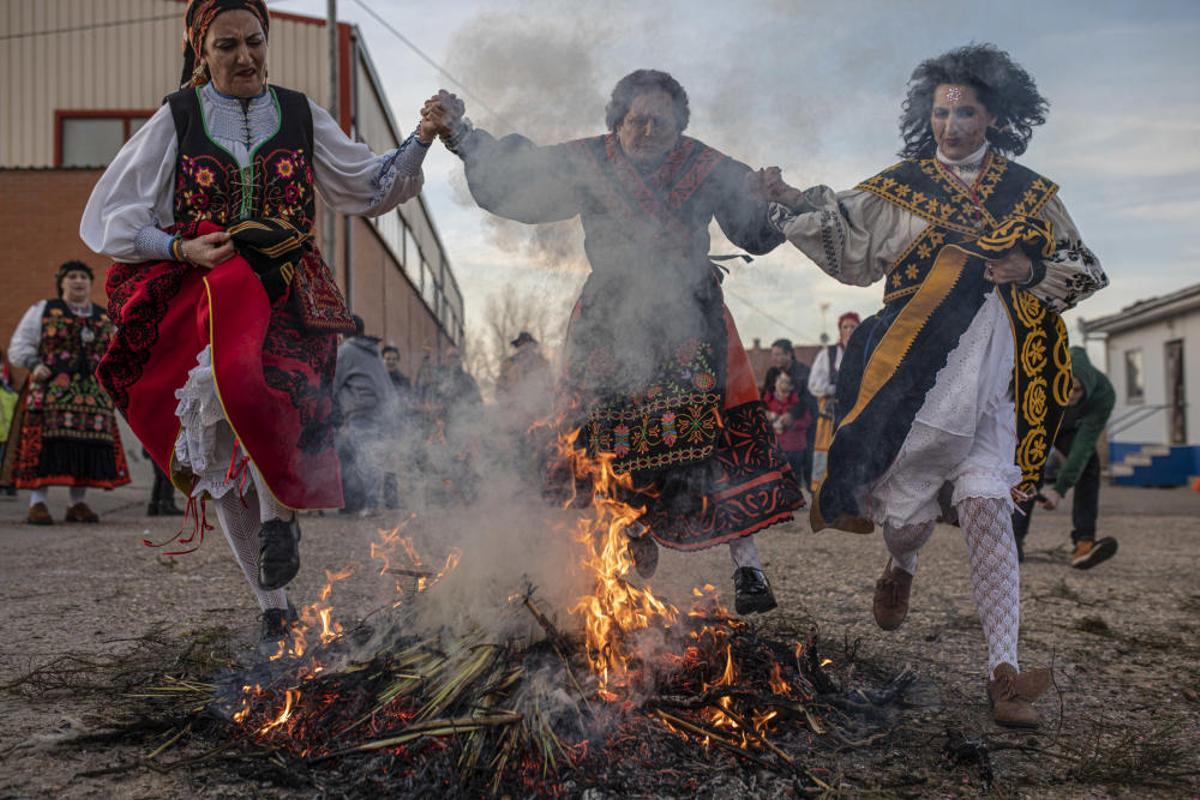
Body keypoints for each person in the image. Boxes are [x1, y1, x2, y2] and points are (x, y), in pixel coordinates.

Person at [765, 44, 1108, 725]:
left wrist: (1028, 269)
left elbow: (1084, 267)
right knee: (909, 524)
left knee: (988, 506)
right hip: (912, 384)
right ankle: (902, 568)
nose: (951, 123)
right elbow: (848, 243)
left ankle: (1002, 672)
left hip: (1001, 381)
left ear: (994, 117)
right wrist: (786, 199)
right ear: (928, 113)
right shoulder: (901, 186)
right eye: (941, 110)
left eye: (967, 111)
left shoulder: (1033, 195)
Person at [81, 0, 435, 650]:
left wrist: (420, 138)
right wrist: (179, 248)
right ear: (201, 51)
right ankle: (273, 606)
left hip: (287, 290)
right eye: (226, 46)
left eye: (254, 41)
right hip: (209, 288)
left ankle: (279, 520)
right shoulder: (177, 117)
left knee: (269, 397)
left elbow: (366, 185)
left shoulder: (300, 114)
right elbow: (112, 213)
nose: (244, 56)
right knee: (220, 440)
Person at [432, 69, 803, 614]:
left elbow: (752, 226)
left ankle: (747, 568)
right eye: (637, 120)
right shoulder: (589, 160)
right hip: (611, 321)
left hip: (690, 320)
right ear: (618, 121)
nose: (649, 130)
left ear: (680, 126)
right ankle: (630, 541)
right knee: (607, 439)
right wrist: (463, 136)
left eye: (662, 121)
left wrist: (774, 199)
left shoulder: (707, 165)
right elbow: (522, 181)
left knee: (720, 437)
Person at [7, 262, 131, 524]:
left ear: (90, 282)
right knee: (45, 447)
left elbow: (117, 354)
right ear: (61, 282)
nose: (78, 281)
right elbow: (20, 344)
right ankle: (37, 503)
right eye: (72, 276)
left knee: (86, 446)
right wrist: (33, 364)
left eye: (83, 277)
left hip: (92, 397)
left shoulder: (103, 317)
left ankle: (77, 503)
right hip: (51, 392)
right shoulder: (43, 310)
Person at [1011, 346, 1117, 568]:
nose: (1069, 396)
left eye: (1077, 391)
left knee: (1089, 464)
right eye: (1066, 388)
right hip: (1040, 420)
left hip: (1070, 429)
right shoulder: (1042, 377)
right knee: (1030, 465)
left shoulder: (1103, 393)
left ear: (1087, 387)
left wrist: (1059, 489)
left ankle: (1084, 542)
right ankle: (1013, 538)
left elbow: (1083, 445)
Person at [334, 316, 395, 515]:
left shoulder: (346, 351)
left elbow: (333, 384)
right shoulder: (373, 349)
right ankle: (357, 502)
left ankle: (370, 504)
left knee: (365, 456)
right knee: (362, 454)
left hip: (362, 410)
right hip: (381, 409)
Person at [808, 312, 860, 491]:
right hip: (831, 411)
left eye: (853, 327)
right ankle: (822, 492)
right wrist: (834, 389)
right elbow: (815, 383)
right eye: (845, 327)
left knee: (852, 450)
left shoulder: (865, 354)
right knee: (827, 450)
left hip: (855, 411)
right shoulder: (829, 354)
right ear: (840, 330)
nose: (849, 331)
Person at [760, 338, 817, 488]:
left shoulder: (804, 372)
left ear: (789, 354)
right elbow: (764, 397)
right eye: (773, 355)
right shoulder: (772, 373)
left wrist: (791, 414)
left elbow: (807, 400)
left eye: (778, 354)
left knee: (807, 461)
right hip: (777, 427)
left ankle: (811, 494)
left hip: (804, 424)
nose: (775, 358)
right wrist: (767, 412)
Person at [763, 371, 811, 488]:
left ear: (791, 386)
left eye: (785, 382)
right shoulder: (767, 400)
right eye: (779, 380)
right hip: (774, 447)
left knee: (793, 480)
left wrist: (792, 423)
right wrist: (767, 417)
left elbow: (807, 421)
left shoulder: (798, 402)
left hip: (794, 447)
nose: (780, 384)